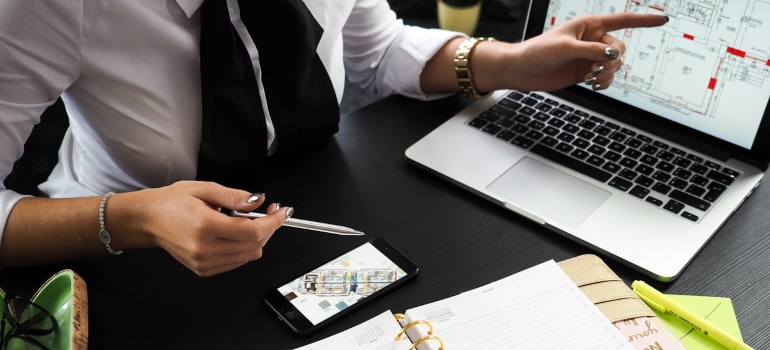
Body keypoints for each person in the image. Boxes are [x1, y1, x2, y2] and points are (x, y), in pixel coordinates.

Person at [0, 1, 667, 277]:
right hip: (129, 258)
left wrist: (506, 63)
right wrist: (136, 218)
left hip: (317, 202)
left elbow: (379, 52)